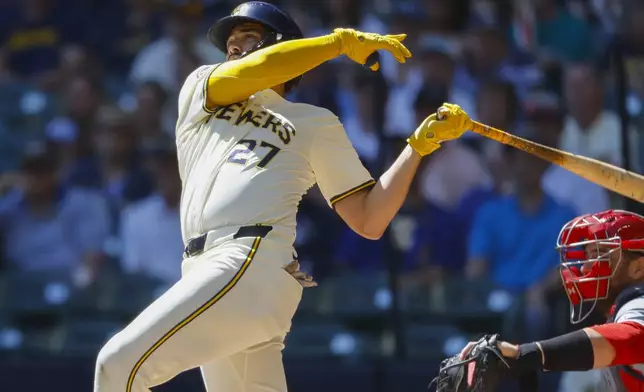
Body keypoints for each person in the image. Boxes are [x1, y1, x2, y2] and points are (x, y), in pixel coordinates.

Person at [92, 2, 471, 392]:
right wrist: (337, 43)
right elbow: (255, 70)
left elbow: (369, 219)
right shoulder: (201, 88)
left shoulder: (315, 121)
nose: (234, 48)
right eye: (230, 43)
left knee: (117, 366)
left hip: (247, 259)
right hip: (205, 268)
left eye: (248, 38)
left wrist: (416, 149)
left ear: (282, 47)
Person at [458, 209, 644, 391]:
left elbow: (634, 337)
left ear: (638, 268)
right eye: (587, 256)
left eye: (600, 255)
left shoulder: (638, 301)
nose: (586, 267)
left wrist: (529, 353)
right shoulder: (619, 310)